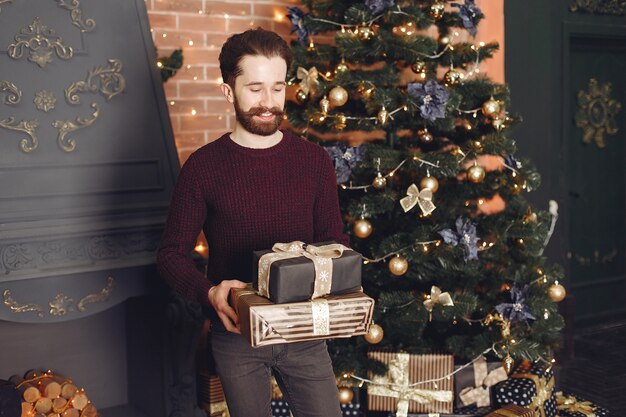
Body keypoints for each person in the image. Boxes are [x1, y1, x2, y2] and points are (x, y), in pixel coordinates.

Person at [157, 28, 349, 417]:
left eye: (277, 88)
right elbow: (170, 255)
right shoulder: (203, 167)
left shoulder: (313, 162)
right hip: (236, 336)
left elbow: (334, 240)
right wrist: (209, 293)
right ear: (229, 91)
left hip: (305, 333)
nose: (268, 103)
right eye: (255, 88)